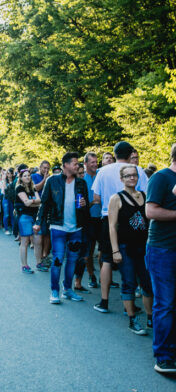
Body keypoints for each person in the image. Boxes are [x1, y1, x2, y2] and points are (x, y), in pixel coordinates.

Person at [92, 141, 148, 313]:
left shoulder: (103, 171)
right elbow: (146, 196)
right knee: (136, 260)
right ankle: (131, 303)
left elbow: (96, 197)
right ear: (130, 153)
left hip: (108, 217)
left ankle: (104, 301)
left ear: (114, 153)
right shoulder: (137, 170)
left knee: (107, 260)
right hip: (133, 217)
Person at [34, 152, 90, 304]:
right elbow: (44, 203)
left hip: (76, 228)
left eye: (78, 163)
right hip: (58, 226)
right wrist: (38, 222)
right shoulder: (52, 181)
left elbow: (86, 208)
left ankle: (68, 289)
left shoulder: (81, 183)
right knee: (58, 259)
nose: (77, 165)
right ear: (65, 165)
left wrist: (85, 206)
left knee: (72, 260)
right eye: (74, 163)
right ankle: (54, 291)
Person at [108, 164, 153, 335]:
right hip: (125, 247)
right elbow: (112, 226)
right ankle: (132, 319)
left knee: (147, 283)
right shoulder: (116, 198)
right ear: (122, 179)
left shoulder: (144, 195)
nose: (131, 178)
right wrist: (115, 250)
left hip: (144, 247)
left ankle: (150, 317)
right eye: (127, 176)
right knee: (129, 283)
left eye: (134, 175)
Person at [145, 143, 176, 373]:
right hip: (163, 249)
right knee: (165, 303)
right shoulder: (161, 178)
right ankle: (163, 357)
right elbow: (151, 211)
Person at [74, 152, 101, 291]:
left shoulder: (101, 175)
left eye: (96, 162)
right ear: (85, 164)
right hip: (87, 219)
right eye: (92, 162)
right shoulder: (81, 179)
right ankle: (91, 275)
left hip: (102, 217)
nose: (95, 164)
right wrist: (91, 203)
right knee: (88, 249)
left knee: (104, 249)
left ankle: (103, 276)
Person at [14, 169, 44, 273]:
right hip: (24, 217)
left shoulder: (33, 187)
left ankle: (39, 263)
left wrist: (31, 202)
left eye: (28, 175)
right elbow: (26, 203)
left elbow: (40, 201)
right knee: (25, 242)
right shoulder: (19, 188)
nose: (27, 177)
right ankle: (24, 265)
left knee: (38, 241)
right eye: (25, 176)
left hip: (35, 216)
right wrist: (33, 202)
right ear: (21, 178)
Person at [32, 161, 52, 267]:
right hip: (38, 207)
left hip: (48, 207)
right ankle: (40, 257)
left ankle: (45, 255)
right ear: (40, 167)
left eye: (48, 168)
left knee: (48, 233)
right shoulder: (34, 176)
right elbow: (36, 188)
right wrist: (45, 179)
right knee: (41, 233)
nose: (46, 170)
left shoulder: (51, 177)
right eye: (44, 168)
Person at [3, 168, 15, 235]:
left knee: (12, 214)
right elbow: (5, 189)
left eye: (10, 173)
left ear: (12, 174)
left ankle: (13, 229)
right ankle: (6, 229)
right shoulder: (5, 181)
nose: (8, 174)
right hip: (6, 198)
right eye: (7, 173)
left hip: (12, 199)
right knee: (6, 214)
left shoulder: (14, 180)